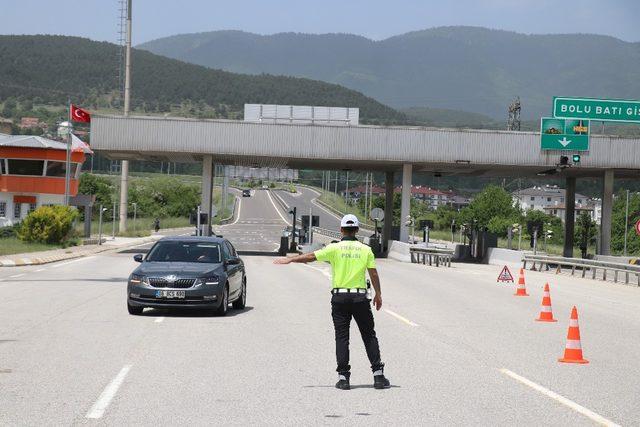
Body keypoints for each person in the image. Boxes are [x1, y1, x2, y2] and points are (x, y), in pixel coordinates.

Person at [274, 214, 390, 390]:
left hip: (339, 298)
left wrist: (290, 259)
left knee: (342, 337)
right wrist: (378, 294)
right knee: (368, 335)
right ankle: (378, 377)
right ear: (357, 230)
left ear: (341, 230)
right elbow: (373, 273)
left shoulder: (334, 249)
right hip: (360, 298)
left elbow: (312, 256)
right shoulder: (366, 250)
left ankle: (343, 378)